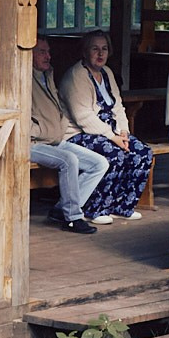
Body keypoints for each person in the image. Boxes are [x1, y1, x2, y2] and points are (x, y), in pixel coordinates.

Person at [62, 31, 154, 223]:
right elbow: (83, 117)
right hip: (79, 133)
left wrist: (124, 132)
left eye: (104, 49)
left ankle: (122, 206)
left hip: (110, 132)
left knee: (143, 152)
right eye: (95, 49)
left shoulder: (107, 73)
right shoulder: (76, 75)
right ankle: (94, 209)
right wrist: (113, 137)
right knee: (114, 153)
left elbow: (118, 106)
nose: (100, 54)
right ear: (85, 52)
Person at [27, 37, 104, 235]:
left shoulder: (47, 74)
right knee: (69, 160)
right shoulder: (23, 77)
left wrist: (59, 127)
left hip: (55, 140)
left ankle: (61, 210)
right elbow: (18, 112)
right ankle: (73, 218)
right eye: (42, 52)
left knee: (99, 163)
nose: (48, 56)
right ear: (30, 54)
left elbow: (59, 106)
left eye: (48, 51)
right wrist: (37, 131)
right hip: (32, 143)